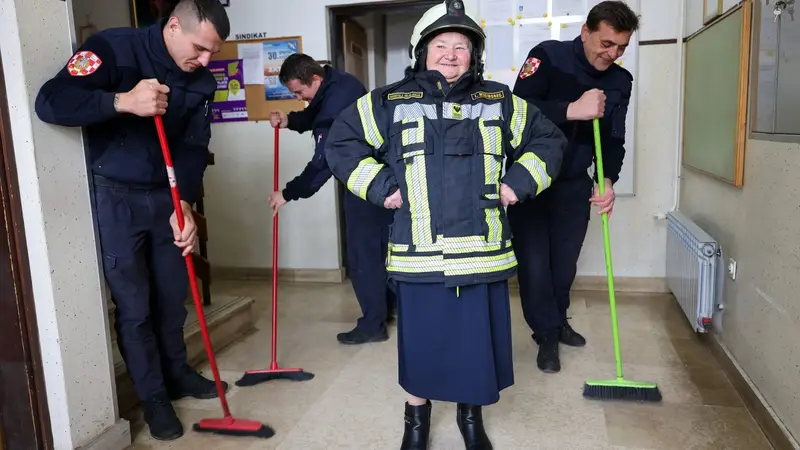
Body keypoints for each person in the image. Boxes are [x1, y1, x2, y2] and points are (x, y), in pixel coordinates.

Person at [324, 1, 567, 448]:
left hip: (482, 251)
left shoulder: (499, 100)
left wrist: (517, 183)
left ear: (475, 54)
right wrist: (381, 187)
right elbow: (340, 143)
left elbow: (548, 140)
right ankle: (416, 422)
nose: (451, 54)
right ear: (422, 51)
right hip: (418, 255)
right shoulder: (389, 101)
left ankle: (469, 419)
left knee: (475, 346)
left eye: (462, 46)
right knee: (422, 344)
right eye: (441, 45)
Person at [34, 0, 230, 441]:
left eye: (212, 53)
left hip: (167, 197)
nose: (205, 61)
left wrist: (187, 205)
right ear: (174, 26)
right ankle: (154, 396)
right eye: (200, 48)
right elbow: (50, 101)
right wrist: (122, 100)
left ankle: (177, 374)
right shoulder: (113, 48)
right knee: (136, 305)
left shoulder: (200, 80)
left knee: (172, 296)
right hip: (115, 197)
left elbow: (195, 145)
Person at [509, 0, 639, 374]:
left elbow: (615, 137)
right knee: (535, 265)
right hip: (530, 181)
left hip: (573, 185)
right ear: (585, 32)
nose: (612, 54)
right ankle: (546, 334)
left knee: (563, 263)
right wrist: (570, 109)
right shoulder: (547, 57)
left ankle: (558, 319)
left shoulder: (619, 81)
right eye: (606, 44)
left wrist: (607, 179)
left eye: (621, 47)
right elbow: (517, 111)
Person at [268, 54, 397, 345]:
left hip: (366, 183)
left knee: (363, 256)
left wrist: (288, 193)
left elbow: (325, 158)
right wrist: (289, 120)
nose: (299, 98)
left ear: (314, 79)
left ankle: (373, 325)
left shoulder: (339, 98)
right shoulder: (338, 83)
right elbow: (316, 112)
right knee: (378, 251)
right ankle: (387, 309)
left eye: (299, 92)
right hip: (378, 180)